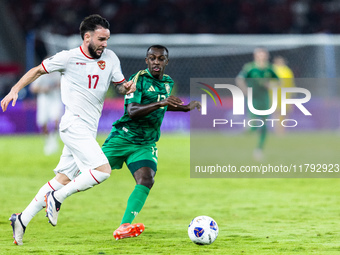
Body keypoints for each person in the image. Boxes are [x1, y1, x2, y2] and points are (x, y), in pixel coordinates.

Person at [1, 14, 135, 246]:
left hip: (88, 129)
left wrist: (127, 87)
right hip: (74, 125)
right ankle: (57, 199)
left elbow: (120, 86)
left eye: (107, 39)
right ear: (87, 37)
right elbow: (37, 71)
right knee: (102, 171)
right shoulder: (68, 58)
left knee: (62, 178)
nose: (105, 44)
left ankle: (21, 219)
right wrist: (15, 89)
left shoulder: (111, 58)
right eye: (101, 39)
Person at [101, 45, 201, 240]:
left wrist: (185, 108)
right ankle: (55, 194)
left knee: (146, 179)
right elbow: (133, 110)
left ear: (166, 62)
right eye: (152, 58)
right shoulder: (138, 80)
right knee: (89, 173)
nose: (156, 62)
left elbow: (163, 106)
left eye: (160, 59)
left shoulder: (167, 82)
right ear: (146, 61)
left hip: (145, 143)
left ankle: (124, 226)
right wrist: (161, 103)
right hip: (123, 138)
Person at [235, 47, 279, 161]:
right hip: (252, 99)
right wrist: (244, 90)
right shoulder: (250, 68)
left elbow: (279, 81)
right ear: (255, 56)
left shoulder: (270, 69)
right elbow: (239, 79)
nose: (261, 57)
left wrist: (271, 86)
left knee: (264, 125)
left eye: (263, 55)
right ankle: (249, 128)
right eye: (259, 55)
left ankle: (259, 150)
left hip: (264, 99)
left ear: (267, 56)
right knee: (254, 123)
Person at [30, 71, 63, 155]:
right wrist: (43, 89)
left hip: (55, 99)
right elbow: (33, 88)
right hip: (44, 101)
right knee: (43, 123)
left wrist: (56, 86)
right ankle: (48, 142)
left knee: (56, 120)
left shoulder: (58, 74)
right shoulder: (42, 75)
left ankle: (53, 138)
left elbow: (64, 84)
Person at [272, 55, 295, 135]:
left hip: (285, 95)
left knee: (284, 113)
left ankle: (282, 130)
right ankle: (278, 131)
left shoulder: (287, 71)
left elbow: (291, 83)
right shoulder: (273, 70)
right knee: (277, 113)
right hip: (275, 95)